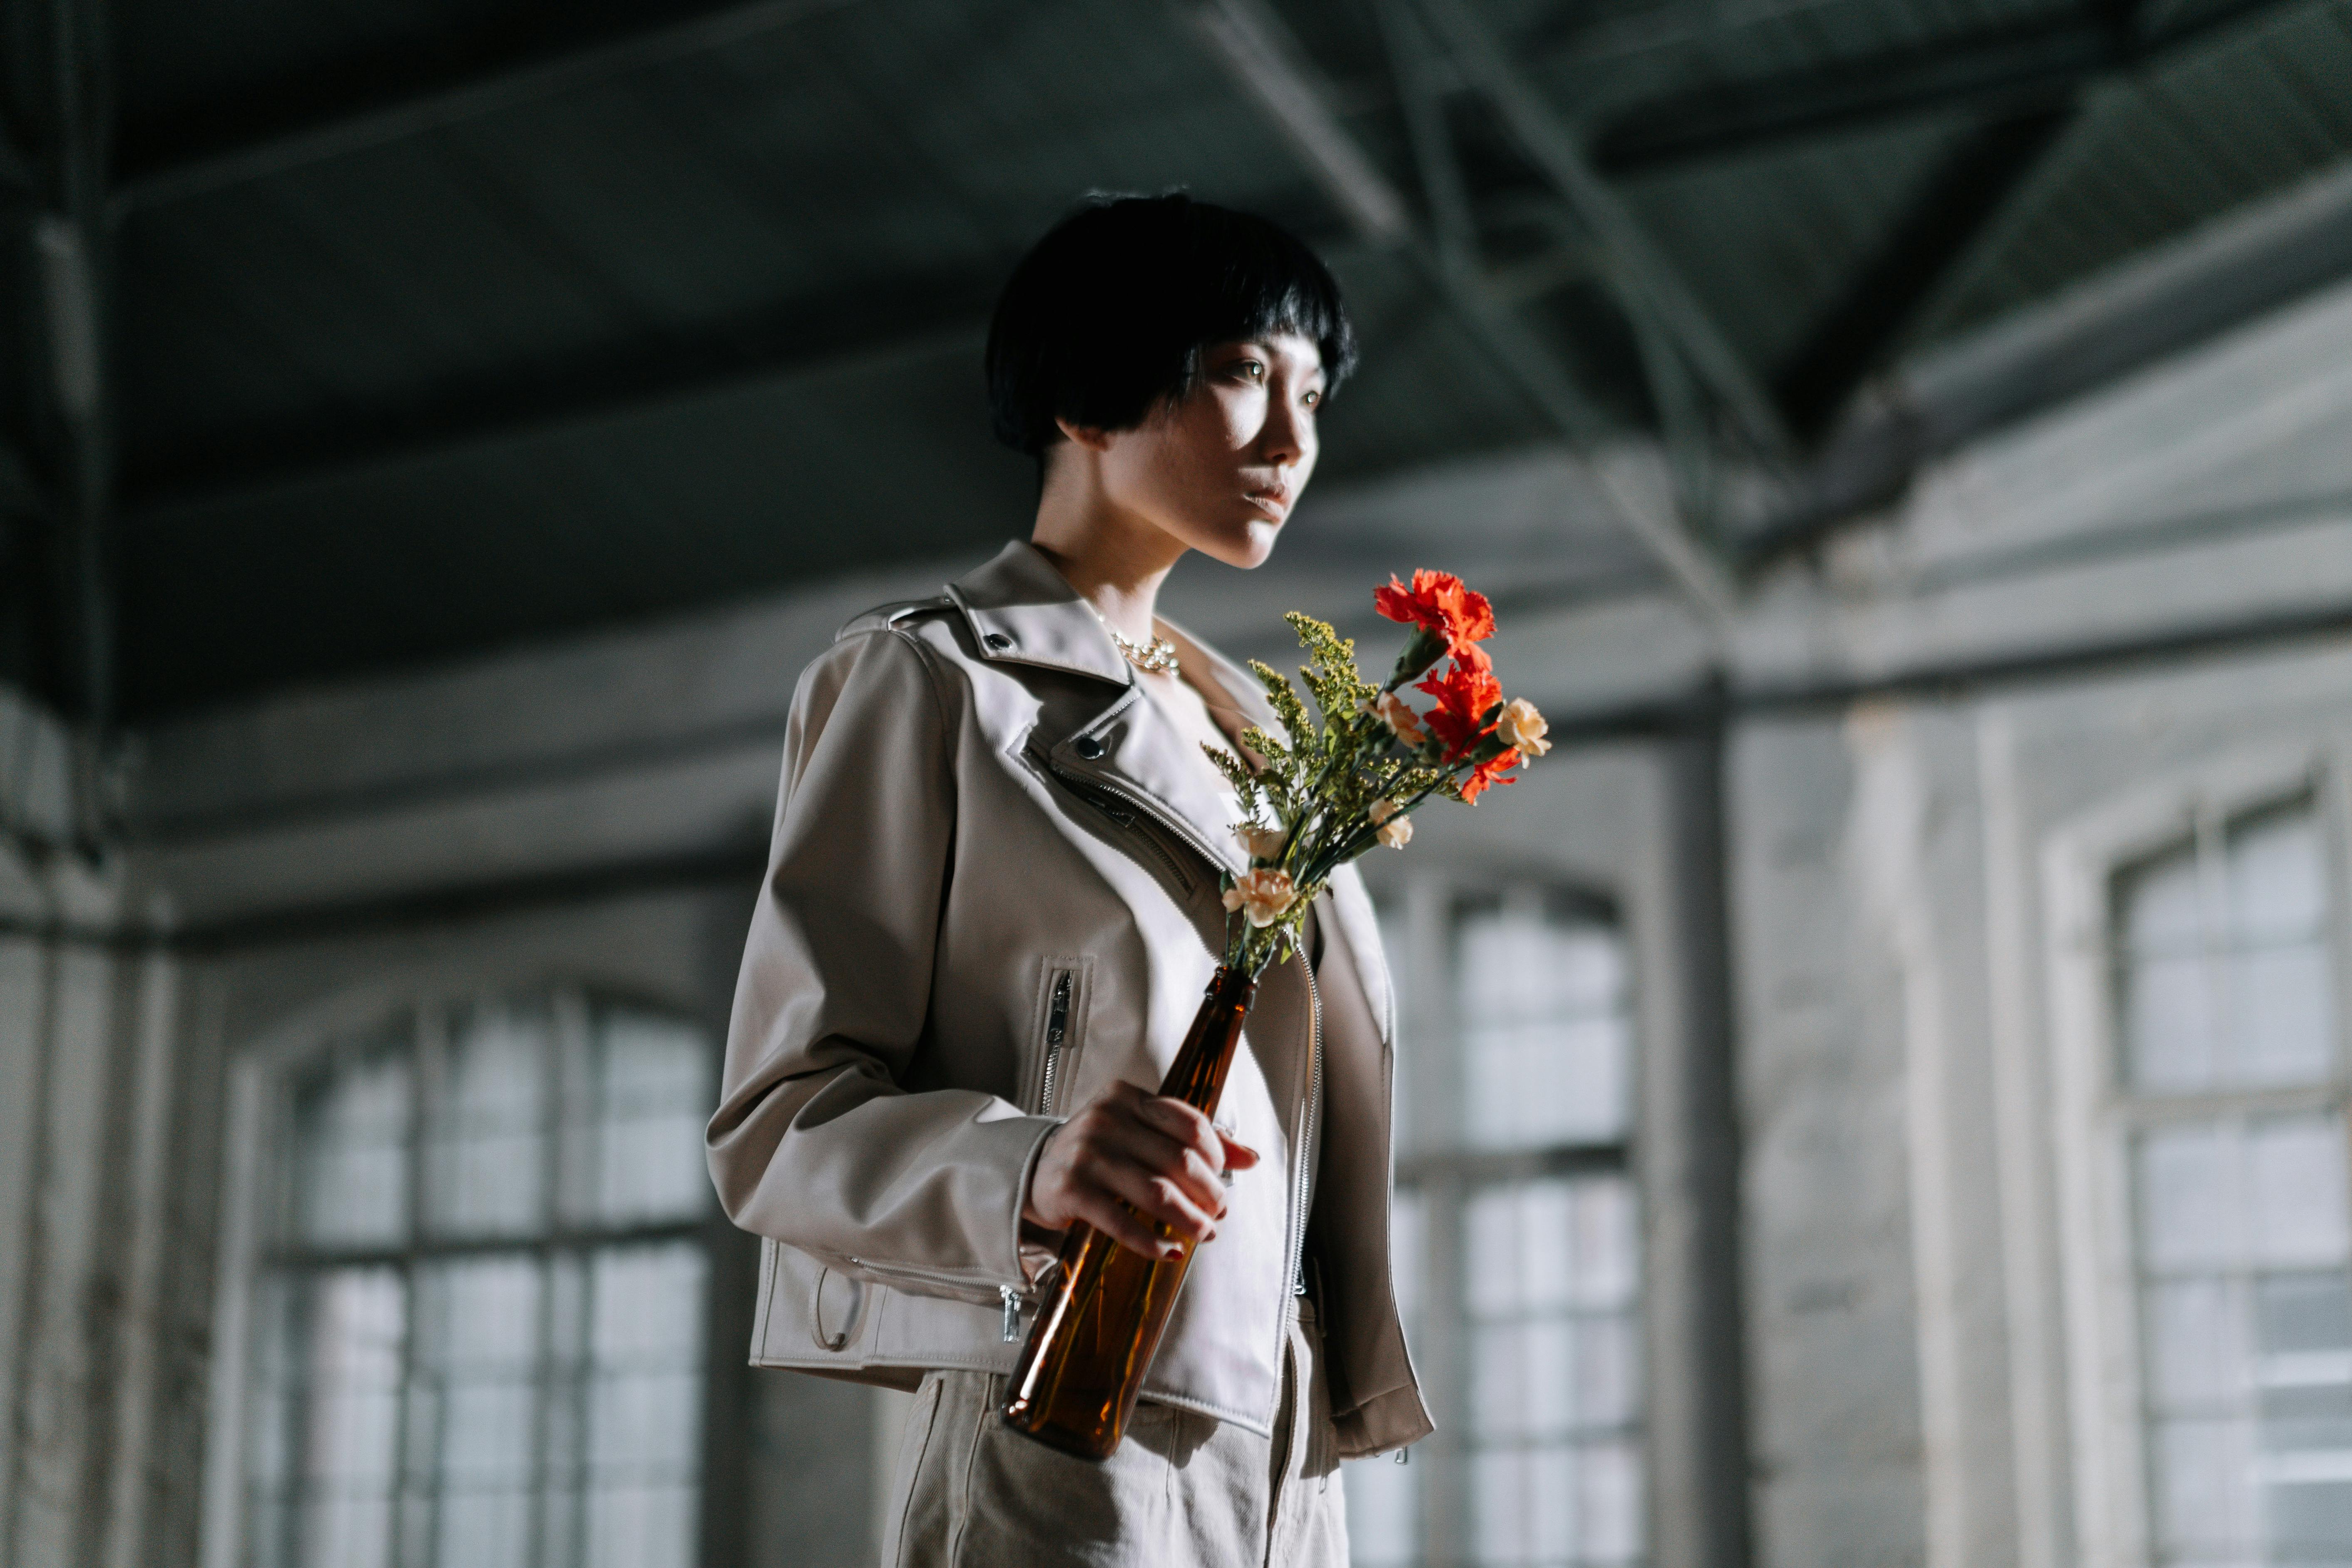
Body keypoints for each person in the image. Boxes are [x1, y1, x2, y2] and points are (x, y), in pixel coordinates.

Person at [706, 193, 1429, 1568]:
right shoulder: (928, 683)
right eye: (1240, 373)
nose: (1293, 441)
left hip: (1288, 1465)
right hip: (1068, 1424)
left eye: (1314, 394)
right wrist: (1032, 1164)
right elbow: (776, 1122)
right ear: (1089, 392)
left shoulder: (1265, 743)